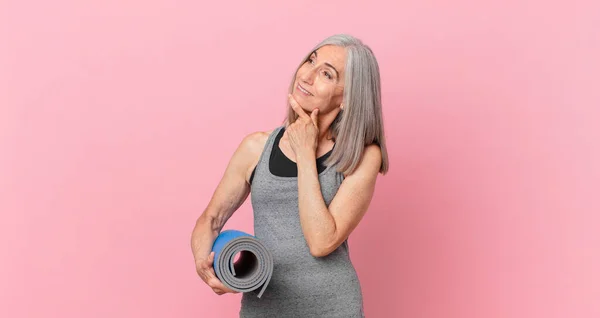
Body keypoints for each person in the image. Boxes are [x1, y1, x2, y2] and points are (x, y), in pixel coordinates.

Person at [191, 34, 389, 317]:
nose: (306, 75)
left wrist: (306, 153)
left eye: (326, 74)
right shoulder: (256, 148)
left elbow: (321, 242)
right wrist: (204, 262)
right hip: (264, 307)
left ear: (347, 97)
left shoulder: (362, 157)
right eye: (310, 60)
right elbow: (210, 220)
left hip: (333, 308)